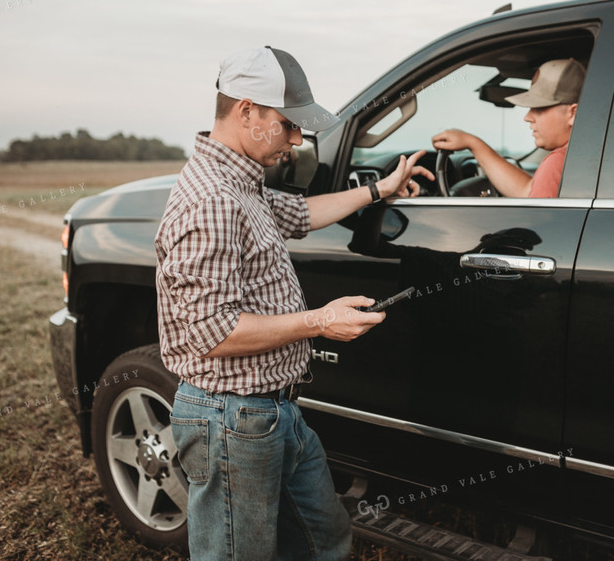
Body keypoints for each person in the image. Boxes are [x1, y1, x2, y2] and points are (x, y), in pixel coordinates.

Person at [155, 46, 433, 561]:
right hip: (231, 418)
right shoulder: (211, 199)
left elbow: (301, 214)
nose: (299, 139)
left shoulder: (243, 184)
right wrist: (320, 321)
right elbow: (211, 333)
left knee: (322, 540)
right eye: (288, 124)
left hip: (273, 411)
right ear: (246, 111)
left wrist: (380, 190)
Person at [431, 58, 585, 198]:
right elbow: (526, 191)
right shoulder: (580, 160)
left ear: (573, 113)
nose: (527, 117)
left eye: (539, 108)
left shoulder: (557, 162)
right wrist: (473, 143)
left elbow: (536, 223)